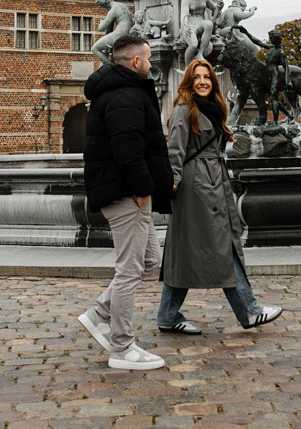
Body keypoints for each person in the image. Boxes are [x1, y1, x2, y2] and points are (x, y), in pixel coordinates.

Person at [157, 59, 283, 335]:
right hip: (197, 187)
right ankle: (249, 309)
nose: (203, 81)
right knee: (222, 245)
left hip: (213, 181)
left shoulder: (214, 109)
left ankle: (167, 315)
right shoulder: (183, 110)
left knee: (188, 251)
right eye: (197, 77)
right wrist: (174, 182)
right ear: (188, 82)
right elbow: (175, 149)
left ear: (213, 81)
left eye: (207, 77)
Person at [78, 33, 174, 370]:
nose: (150, 64)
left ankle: (100, 312)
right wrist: (143, 188)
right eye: (147, 59)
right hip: (126, 193)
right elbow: (128, 147)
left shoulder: (123, 91)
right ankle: (122, 347)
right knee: (130, 270)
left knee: (149, 260)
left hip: (128, 191)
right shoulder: (124, 95)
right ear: (135, 61)